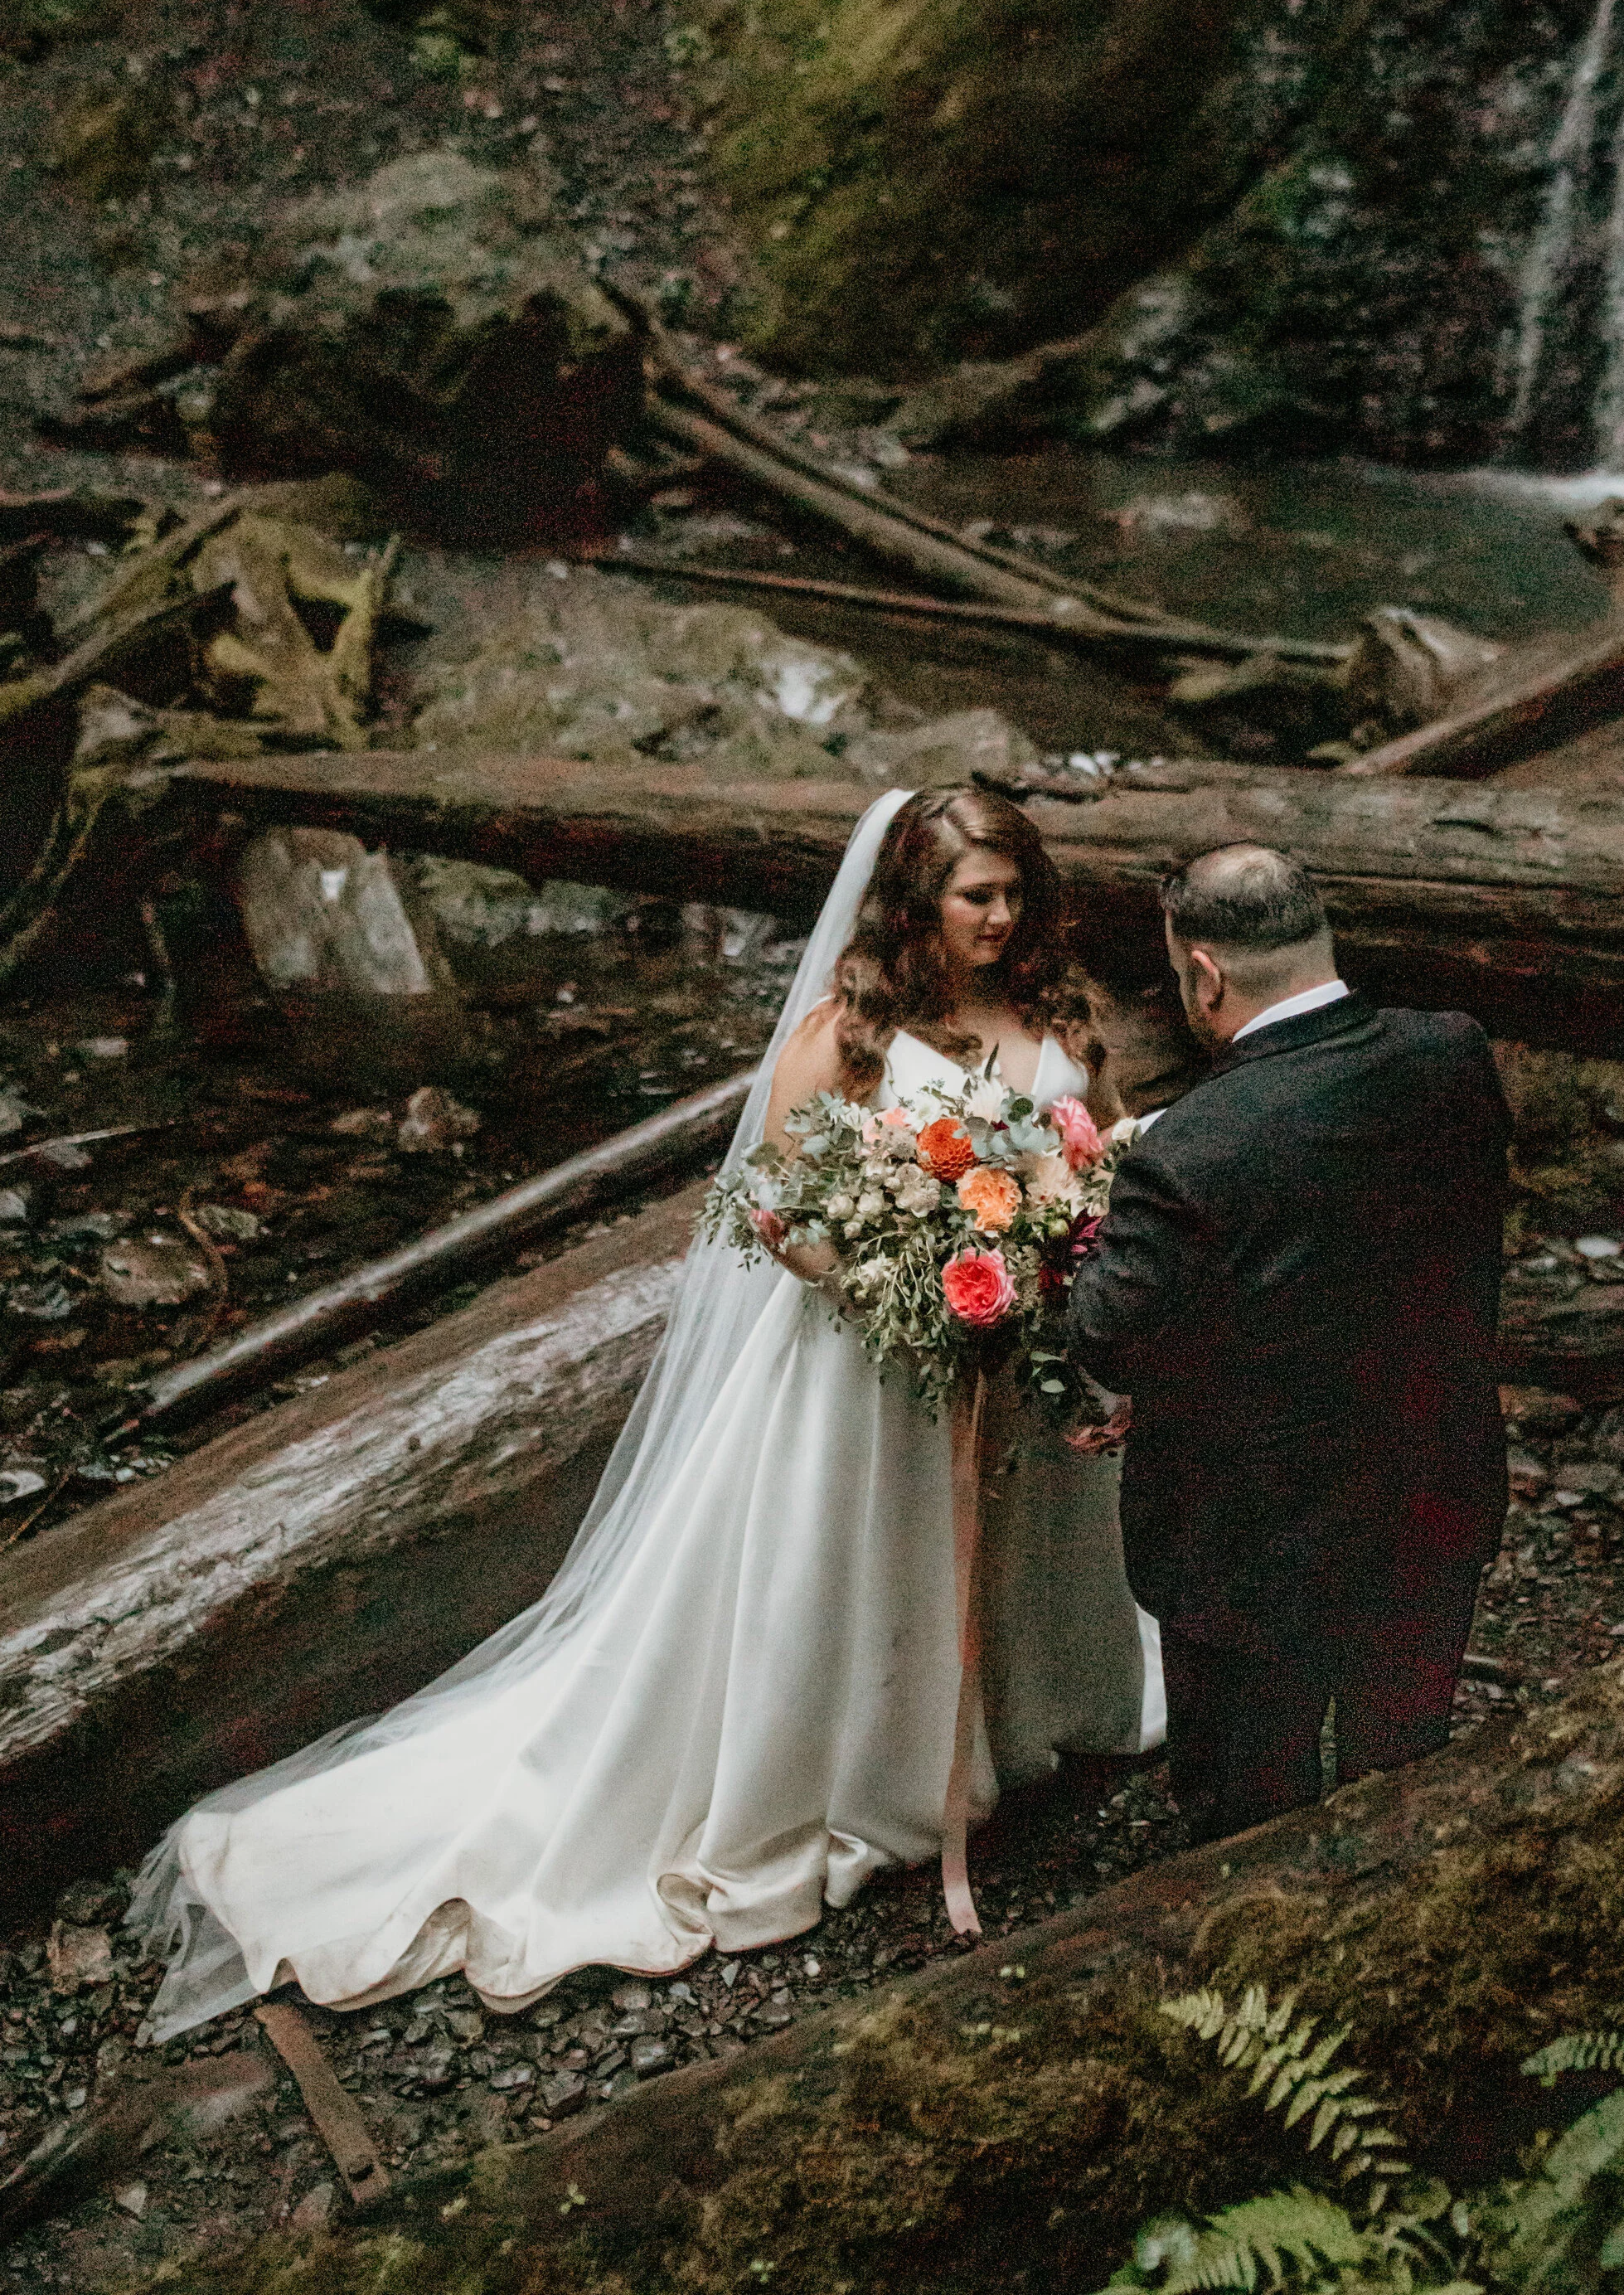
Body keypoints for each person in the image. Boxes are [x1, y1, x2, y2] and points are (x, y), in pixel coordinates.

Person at [133, 787, 1160, 2036]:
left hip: (1018, 1354)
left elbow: (1095, 1151)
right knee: (857, 1569)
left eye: (1011, 894)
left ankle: (1013, 1718)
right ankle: (858, 1767)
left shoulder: (1063, 1010)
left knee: (1014, 1553)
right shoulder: (853, 1032)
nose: (999, 918)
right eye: (972, 896)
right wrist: (909, 1279)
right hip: (872, 1366)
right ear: (913, 903)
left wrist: (1055, 1239)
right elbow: (777, 1208)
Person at [1068, 842, 1510, 1846]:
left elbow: (1108, 1339)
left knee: (1244, 1811)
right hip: (1433, 1489)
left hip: (1251, 1543)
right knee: (1402, 1776)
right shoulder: (1453, 1053)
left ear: (1206, 973)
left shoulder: (1190, 1146)